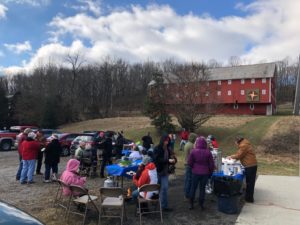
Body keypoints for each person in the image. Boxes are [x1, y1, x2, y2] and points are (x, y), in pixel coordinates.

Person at [228, 136, 257, 203]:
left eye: (235, 142)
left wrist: (230, 156)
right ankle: (249, 197)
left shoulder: (243, 145)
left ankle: (249, 199)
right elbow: (241, 155)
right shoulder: (245, 144)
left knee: (249, 183)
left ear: (237, 141)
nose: (235, 144)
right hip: (251, 165)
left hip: (250, 166)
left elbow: (239, 155)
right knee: (250, 182)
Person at [188, 136, 215, 210]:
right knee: (202, 189)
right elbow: (211, 165)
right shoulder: (208, 152)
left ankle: (191, 204)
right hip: (205, 173)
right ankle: (201, 205)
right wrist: (210, 172)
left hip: (195, 172)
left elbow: (189, 162)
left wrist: (193, 167)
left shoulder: (193, 151)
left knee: (193, 188)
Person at [153, 134, 176, 212]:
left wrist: (174, 160)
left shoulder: (168, 149)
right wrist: (167, 161)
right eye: (166, 140)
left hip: (165, 172)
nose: (167, 142)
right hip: (158, 171)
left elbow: (171, 158)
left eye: (168, 140)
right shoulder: (157, 148)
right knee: (156, 188)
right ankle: (153, 202)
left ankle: (164, 206)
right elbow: (156, 160)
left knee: (165, 188)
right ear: (162, 140)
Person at [183, 132, 197, 199]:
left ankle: (186, 194)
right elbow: (193, 155)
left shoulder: (187, 144)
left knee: (187, 180)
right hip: (190, 164)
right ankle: (187, 195)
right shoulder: (191, 145)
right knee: (189, 180)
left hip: (186, 163)